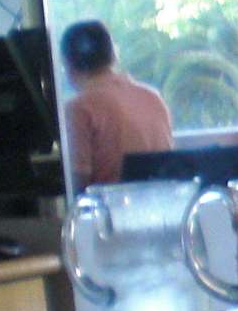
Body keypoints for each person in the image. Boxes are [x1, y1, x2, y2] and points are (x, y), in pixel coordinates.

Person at [59, 21, 173, 189]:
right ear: (113, 55)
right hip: (160, 201)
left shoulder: (79, 108)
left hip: (110, 204)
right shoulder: (152, 97)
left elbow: (78, 183)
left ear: (67, 63)